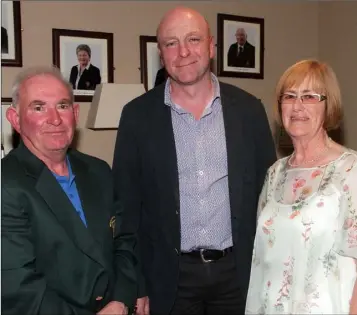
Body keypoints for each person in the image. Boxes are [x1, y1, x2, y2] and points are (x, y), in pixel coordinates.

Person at [112, 6, 276, 315]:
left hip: (238, 275)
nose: (183, 51)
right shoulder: (136, 116)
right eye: (171, 43)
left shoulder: (249, 111)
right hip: (169, 280)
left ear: (212, 46)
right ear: (162, 54)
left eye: (193, 39)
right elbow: (126, 209)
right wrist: (136, 284)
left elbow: (268, 196)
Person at [2, 66, 137, 315]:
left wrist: (121, 299)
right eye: (39, 107)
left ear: (75, 113)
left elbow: (125, 242)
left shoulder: (99, 170)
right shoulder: (6, 184)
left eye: (62, 106)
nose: (55, 119)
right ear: (15, 119)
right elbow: (16, 288)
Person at [245, 59, 357, 314]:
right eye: (290, 96)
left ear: (329, 106)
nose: (297, 106)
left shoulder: (350, 170)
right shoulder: (275, 174)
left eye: (309, 96)